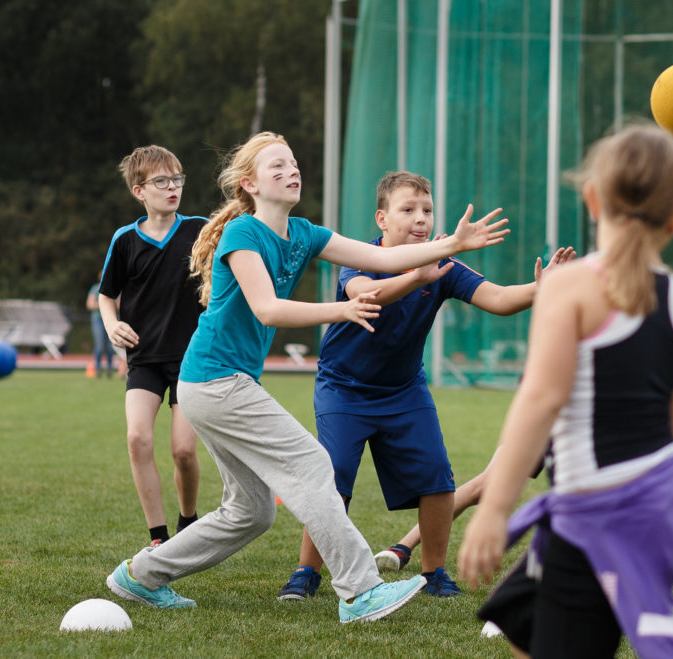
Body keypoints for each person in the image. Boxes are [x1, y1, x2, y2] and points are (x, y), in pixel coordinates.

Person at [104, 131, 509, 623]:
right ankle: (360, 590)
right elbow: (268, 309)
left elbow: (381, 258)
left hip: (215, 386)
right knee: (316, 466)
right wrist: (341, 309)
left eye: (292, 163)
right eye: (276, 167)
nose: (291, 171)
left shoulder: (304, 233)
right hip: (215, 381)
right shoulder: (243, 234)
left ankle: (139, 576)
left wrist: (450, 244)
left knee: (251, 512)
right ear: (250, 184)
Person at [457, 123, 673, 658]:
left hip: (597, 516)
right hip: (655, 511)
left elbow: (540, 401)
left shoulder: (570, 286)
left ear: (592, 198)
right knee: (524, 626)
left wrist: (494, 510)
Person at [276, 170, 574, 601]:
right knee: (333, 478)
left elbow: (499, 299)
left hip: (404, 391)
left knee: (437, 481)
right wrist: (417, 276)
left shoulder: (444, 266)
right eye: (408, 209)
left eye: (428, 210)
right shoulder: (361, 257)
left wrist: (540, 288)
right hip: (344, 388)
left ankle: (435, 573)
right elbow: (368, 294)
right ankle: (306, 573)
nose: (421, 219)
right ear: (382, 218)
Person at [98, 145, 205, 547]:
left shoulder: (201, 229)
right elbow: (107, 295)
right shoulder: (125, 239)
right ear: (139, 190)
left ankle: (189, 519)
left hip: (192, 359)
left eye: (177, 178)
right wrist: (112, 325)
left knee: (182, 451)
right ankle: (158, 538)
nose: (173, 187)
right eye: (162, 181)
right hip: (144, 358)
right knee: (137, 439)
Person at [86, 278, 115, 377]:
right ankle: (97, 369)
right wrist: (105, 304)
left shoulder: (115, 286)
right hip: (98, 320)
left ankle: (109, 368)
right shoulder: (95, 288)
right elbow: (90, 304)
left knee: (110, 347)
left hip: (111, 320)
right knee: (99, 345)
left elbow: (119, 304)